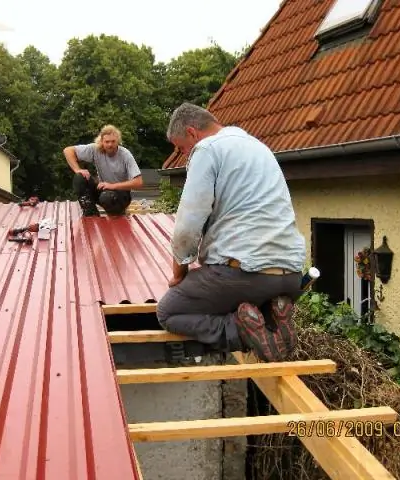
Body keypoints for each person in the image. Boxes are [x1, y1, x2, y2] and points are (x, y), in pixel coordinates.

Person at [156, 103, 307, 363]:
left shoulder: (207, 149)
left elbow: (187, 226)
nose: (184, 156)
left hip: (245, 274)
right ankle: (274, 321)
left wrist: (178, 272)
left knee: (168, 312)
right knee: (247, 300)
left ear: (192, 133)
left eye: (182, 148)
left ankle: (242, 332)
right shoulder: (259, 148)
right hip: (292, 277)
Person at [63, 125, 143, 217]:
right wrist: (78, 169)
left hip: (120, 194)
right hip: (103, 191)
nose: (110, 145)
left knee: (107, 197)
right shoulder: (95, 149)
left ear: (118, 141)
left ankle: (116, 217)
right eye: (107, 142)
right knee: (79, 177)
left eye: (113, 141)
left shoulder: (125, 155)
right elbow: (68, 150)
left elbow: (139, 182)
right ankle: (91, 214)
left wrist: (112, 186)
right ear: (102, 141)